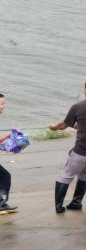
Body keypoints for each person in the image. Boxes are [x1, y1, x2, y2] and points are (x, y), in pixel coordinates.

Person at [50, 84, 86, 213]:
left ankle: (59, 207)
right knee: (83, 176)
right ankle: (76, 202)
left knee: (66, 176)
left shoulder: (78, 107)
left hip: (81, 151)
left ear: (84, 90)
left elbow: (63, 125)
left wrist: (53, 127)